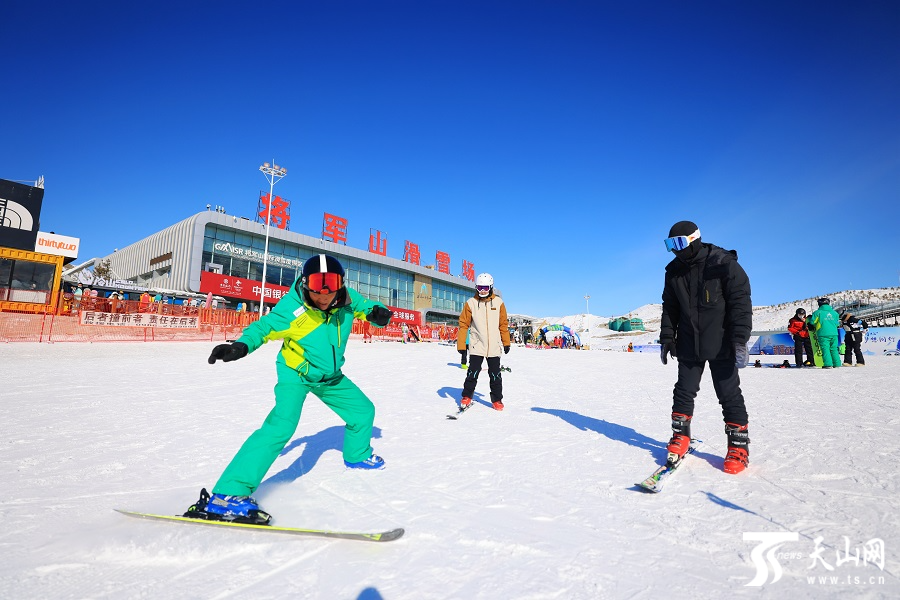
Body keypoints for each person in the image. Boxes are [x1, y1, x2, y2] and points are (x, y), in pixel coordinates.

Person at [194, 254, 394, 522]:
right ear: (305, 282)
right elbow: (263, 328)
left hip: (329, 376)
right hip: (295, 373)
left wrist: (377, 313)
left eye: (331, 284)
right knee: (281, 425)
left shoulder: (346, 298)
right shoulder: (293, 308)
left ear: (341, 284)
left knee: (362, 411)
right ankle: (227, 494)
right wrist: (241, 346)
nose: (323, 293)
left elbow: (366, 308)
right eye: (316, 284)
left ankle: (357, 455)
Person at [659, 221, 753, 475]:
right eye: (669, 245)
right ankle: (680, 436)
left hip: (722, 341)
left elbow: (740, 302)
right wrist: (668, 337)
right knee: (684, 389)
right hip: (689, 341)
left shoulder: (723, 263)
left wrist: (739, 338)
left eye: (678, 244)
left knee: (728, 392)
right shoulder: (673, 271)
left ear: (694, 239)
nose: (674, 251)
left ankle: (737, 445)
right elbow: (670, 307)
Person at [457, 273, 511, 411]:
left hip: (493, 346)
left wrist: (506, 342)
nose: (482, 291)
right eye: (480, 287)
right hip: (477, 344)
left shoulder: (498, 303)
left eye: (485, 288)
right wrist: (462, 344)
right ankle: (467, 396)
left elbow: (503, 324)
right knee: (472, 373)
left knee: (495, 375)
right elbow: (464, 325)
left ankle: (497, 399)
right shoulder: (471, 303)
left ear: (491, 287)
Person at [808, 298, 842, 368]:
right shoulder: (834, 313)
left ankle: (828, 364)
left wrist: (810, 323)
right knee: (834, 349)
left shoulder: (817, 313)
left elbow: (812, 322)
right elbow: (837, 324)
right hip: (834, 333)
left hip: (823, 333)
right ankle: (837, 364)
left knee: (825, 349)